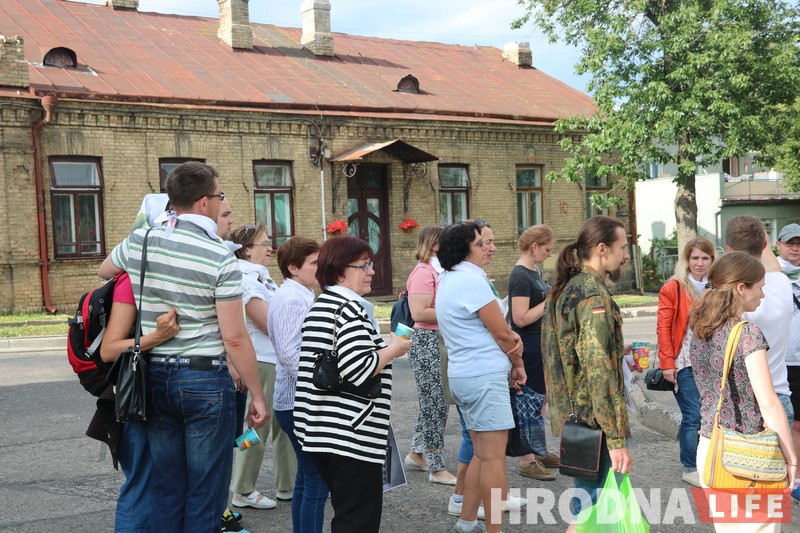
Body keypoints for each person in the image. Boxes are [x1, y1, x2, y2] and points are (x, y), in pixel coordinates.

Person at [109, 161, 268, 532]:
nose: (221, 202)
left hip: (153, 376)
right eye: (220, 196)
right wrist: (257, 395)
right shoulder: (219, 257)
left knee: (167, 485)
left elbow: (106, 271)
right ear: (202, 203)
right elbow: (234, 337)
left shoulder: (142, 239)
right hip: (203, 380)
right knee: (206, 490)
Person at [293, 236, 412, 532]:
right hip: (349, 435)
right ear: (339, 272)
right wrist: (394, 349)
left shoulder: (323, 305)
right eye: (363, 266)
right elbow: (359, 369)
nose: (371, 271)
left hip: (322, 429)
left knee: (346, 513)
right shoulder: (349, 310)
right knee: (357, 520)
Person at [690, 251, 797, 532]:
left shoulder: (701, 327)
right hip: (748, 454)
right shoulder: (747, 333)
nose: (763, 295)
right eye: (760, 287)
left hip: (710, 447)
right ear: (741, 288)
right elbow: (769, 403)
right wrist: (792, 458)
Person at [93, 195, 180, 533]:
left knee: (156, 483)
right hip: (137, 395)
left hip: (154, 393)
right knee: (141, 483)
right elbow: (110, 350)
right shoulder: (134, 277)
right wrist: (155, 338)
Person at [541, 215, 631, 529]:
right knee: (600, 514)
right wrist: (617, 439)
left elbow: (566, 355)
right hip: (596, 423)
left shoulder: (567, 288)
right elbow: (599, 371)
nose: (626, 255)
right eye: (622, 247)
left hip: (575, 421)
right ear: (602, 249)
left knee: (587, 511)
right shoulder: (593, 297)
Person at [437, 222, 525, 533]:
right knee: (494, 459)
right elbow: (502, 333)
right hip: (484, 376)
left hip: (464, 374)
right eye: (480, 243)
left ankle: (466, 521)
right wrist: (518, 362)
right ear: (463, 249)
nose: (489, 247)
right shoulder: (472, 283)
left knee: (481, 453)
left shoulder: (449, 278)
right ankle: (495, 530)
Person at [228, 224, 297, 510]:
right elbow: (269, 322)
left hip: (276, 359)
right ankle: (242, 488)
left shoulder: (262, 277)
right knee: (255, 426)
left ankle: (288, 484)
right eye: (263, 244)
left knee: (284, 424)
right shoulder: (245, 279)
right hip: (261, 360)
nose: (270, 248)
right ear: (246, 249)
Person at [269, 236, 329, 533]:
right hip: (298, 403)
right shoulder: (291, 299)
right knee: (317, 479)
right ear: (293, 268)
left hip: (299, 401)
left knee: (307, 478)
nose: (322, 268)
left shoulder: (302, 294)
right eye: (315, 263)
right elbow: (291, 356)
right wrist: (329, 380)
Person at [656, 236, 715, 487]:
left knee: (711, 415)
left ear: (712, 260)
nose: (700, 263)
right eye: (695, 258)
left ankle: (706, 463)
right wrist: (667, 363)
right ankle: (690, 467)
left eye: (705, 258)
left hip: (713, 364)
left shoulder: (718, 287)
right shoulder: (673, 287)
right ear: (687, 260)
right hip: (685, 362)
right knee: (693, 415)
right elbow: (663, 328)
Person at [725, 216, 794, 428]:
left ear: (728, 249)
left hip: (741, 400)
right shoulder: (782, 283)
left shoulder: (729, 293)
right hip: (779, 395)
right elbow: (772, 265)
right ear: (766, 245)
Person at [403, 225, 457, 485]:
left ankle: (416, 452)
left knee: (434, 402)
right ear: (434, 244)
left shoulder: (438, 270)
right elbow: (419, 312)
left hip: (438, 340)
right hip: (427, 342)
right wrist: (456, 310)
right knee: (435, 404)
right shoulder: (424, 273)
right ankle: (436, 466)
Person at [508, 224, 558, 481]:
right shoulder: (520, 275)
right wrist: (549, 301)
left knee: (540, 402)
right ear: (535, 246)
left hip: (539, 345)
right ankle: (527, 460)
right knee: (530, 403)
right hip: (528, 346)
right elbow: (520, 317)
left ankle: (538, 451)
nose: (550, 254)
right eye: (547, 249)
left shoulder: (533, 271)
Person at [776, 223, 800, 501]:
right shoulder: (771, 274)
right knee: (789, 422)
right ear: (779, 245)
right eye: (790, 242)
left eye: (799, 243)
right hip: (783, 360)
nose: (795, 248)